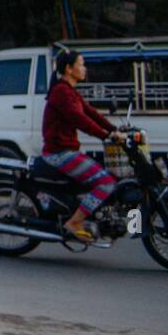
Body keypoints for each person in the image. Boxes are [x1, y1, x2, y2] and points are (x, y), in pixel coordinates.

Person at [42, 49, 117, 241]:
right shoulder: (61, 92)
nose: (84, 68)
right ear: (69, 69)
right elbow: (79, 118)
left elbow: (90, 112)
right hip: (59, 153)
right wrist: (105, 135)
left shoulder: (69, 91)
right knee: (106, 182)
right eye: (81, 64)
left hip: (67, 151)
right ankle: (74, 222)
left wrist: (114, 130)